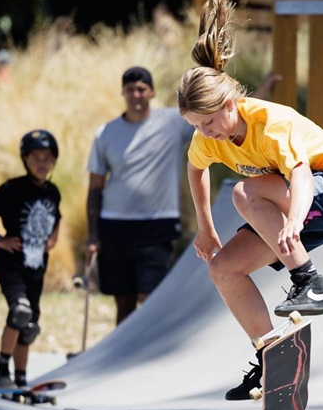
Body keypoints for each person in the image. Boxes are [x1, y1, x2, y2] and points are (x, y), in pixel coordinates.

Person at [177, 0, 323, 401]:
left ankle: (310, 282)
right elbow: (195, 170)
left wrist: (295, 223)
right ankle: (271, 356)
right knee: (223, 267)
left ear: (231, 103)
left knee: (245, 193)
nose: (206, 133)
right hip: (296, 204)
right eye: (196, 126)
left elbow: (300, 173)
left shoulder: (270, 121)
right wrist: (206, 230)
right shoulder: (208, 138)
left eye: (209, 122)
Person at [85, 66, 282, 326]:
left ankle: (151, 350)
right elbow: (95, 187)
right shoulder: (106, 132)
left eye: (141, 89)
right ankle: (127, 358)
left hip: (156, 223)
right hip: (114, 223)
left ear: (151, 92)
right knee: (123, 298)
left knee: (149, 295)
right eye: (130, 90)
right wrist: (92, 234)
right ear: (123, 93)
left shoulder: (170, 122)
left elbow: (219, 112)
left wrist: (263, 89)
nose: (136, 95)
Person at [0, 130, 63, 389]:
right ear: (25, 160)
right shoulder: (13, 189)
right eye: (36, 158)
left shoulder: (53, 192)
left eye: (47, 158)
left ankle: (21, 378)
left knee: (30, 325)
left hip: (36, 268)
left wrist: (53, 239)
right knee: (19, 312)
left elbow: (58, 217)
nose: (42, 163)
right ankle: (1, 373)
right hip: (11, 264)